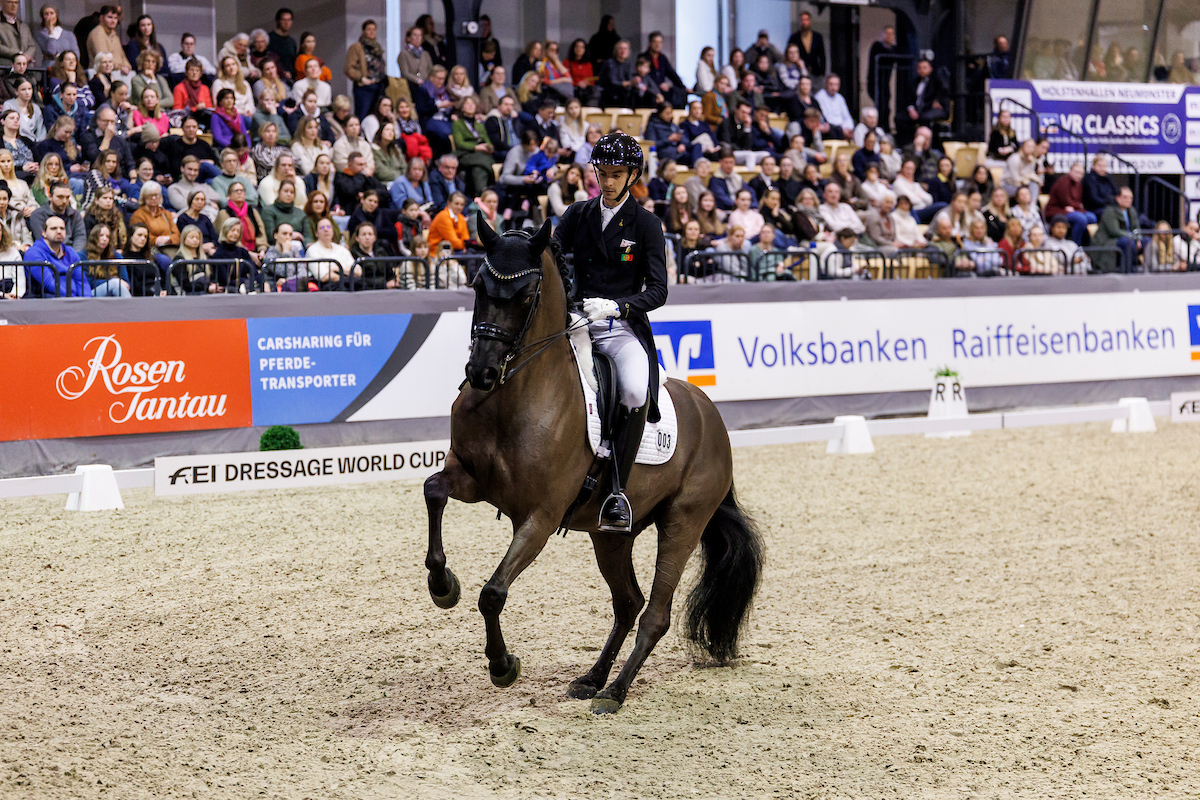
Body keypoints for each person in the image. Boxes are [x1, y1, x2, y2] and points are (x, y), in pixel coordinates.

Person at [551, 131, 667, 532]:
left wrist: (619, 305)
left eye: (616, 174)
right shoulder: (577, 214)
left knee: (635, 389)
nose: (608, 180)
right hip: (576, 321)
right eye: (602, 172)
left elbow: (658, 290)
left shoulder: (647, 225)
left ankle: (616, 489)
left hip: (619, 326)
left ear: (633, 175)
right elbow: (550, 253)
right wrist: (567, 296)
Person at [25, 213, 88, 297]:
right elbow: (49, 284)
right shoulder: (33, 253)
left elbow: (81, 281)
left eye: (62, 228)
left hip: (75, 299)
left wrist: (86, 301)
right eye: (53, 228)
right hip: (49, 299)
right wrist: (72, 299)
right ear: (44, 233)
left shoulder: (71, 252)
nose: (59, 231)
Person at [1092, 186, 1141, 273]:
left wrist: (1138, 239)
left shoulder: (1131, 211)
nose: (1128, 200)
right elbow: (1114, 231)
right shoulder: (1109, 211)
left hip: (1127, 238)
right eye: (1125, 197)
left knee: (1148, 241)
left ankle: (1151, 270)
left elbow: (1136, 227)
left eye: (1130, 198)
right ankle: (1129, 272)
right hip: (1108, 241)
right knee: (1128, 242)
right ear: (1118, 198)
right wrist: (1132, 237)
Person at [31, 181, 86, 251]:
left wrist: (73, 256)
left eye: (67, 197)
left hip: (72, 254)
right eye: (60, 197)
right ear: (50, 196)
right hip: (47, 254)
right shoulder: (38, 215)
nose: (64, 201)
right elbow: (41, 240)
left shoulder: (75, 214)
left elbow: (80, 238)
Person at [905, 59, 950, 137]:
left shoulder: (936, 80)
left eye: (924, 68)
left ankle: (926, 141)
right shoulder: (914, 82)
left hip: (932, 109)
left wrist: (938, 101)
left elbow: (944, 90)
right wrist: (911, 109)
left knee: (925, 118)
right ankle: (907, 143)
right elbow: (909, 98)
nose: (922, 70)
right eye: (920, 68)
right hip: (917, 110)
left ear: (930, 69)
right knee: (900, 118)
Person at [867, 27, 897, 132]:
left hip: (886, 83)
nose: (889, 36)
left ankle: (887, 128)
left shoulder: (894, 49)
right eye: (887, 33)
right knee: (880, 106)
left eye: (891, 34)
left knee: (887, 107)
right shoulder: (877, 46)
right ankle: (879, 128)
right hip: (875, 82)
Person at [35, 5, 79, 69]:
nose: (49, 17)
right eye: (46, 14)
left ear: (56, 15)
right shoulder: (39, 34)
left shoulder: (69, 34)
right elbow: (51, 51)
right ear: (42, 17)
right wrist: (50, 32)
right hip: (50, 68)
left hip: (68, 68)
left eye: (52, 13)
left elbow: (76, 53)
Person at [787, 11, 825, 78]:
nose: (804, 22)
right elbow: (788, 53)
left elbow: (822, 55)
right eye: (802, 20)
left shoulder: (817, 36)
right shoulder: (794, 37)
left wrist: (822, 72)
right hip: (798, 71)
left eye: (806, 20)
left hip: (815, 72)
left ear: (810, 21)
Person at [815, 74, 854, 139]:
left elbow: (847, 116)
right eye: (831, 84)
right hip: (828, 129)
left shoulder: (840, 98)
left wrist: (849, 128)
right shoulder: (819, 96)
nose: (833, 87)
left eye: (836, 85)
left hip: (841, 128)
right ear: (826, 84)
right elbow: (825, 117)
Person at [0, 0, 37, 68]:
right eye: (9, 2)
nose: (13, 5)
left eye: (16, 2)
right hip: (5, 69)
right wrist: (17, 53)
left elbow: (32, 45)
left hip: (26, 70)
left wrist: (27, 55)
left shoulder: (23, 26)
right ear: (1, 3)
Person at [600, 40, 635, 108]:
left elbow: (630, 79)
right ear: (616, 50)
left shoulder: (628, 64)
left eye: (625, 49)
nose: (623, 51)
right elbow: (612, 81)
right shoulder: (610, 63)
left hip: (623, 94)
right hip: (610, 94)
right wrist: (628, 83)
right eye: (620, 48)